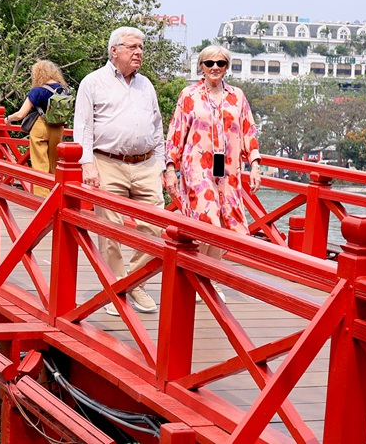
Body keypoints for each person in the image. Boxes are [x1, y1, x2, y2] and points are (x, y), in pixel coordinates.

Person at [72, 26, 165, 315]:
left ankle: (135, 282)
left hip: (146, 162)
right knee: (109, 229)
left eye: (141, 47)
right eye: (132, 47)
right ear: (115, 50)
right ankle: (114, 288)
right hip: (108, 161)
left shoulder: (145, 84)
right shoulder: (93, 82)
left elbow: (157, 125)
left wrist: (161, 163)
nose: (138, 52)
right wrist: (86, 162)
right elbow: (84, 125)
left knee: (155, 225)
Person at [164, 45, 261, 285]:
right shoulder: (189, 95)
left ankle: (205, 277)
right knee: (208, 221)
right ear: (201, 66)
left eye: (221, 63)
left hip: (229, 170)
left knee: (225, 224)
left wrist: (255, 164)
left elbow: (249, 130)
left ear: (227, 67)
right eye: (209, 63)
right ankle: (198, 274)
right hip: (197, 167)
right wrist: (169, 169)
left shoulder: (237, 96)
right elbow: (176, 132)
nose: (215, 67)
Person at [6, 60, 69, 197]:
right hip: (58, 128)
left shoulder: (37, 91)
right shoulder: (63, 90)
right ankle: (56, 196)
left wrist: (8, 119)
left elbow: (21, 114)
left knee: (40, 164)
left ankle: (43, 200)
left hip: (41, 126)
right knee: (54, 164)